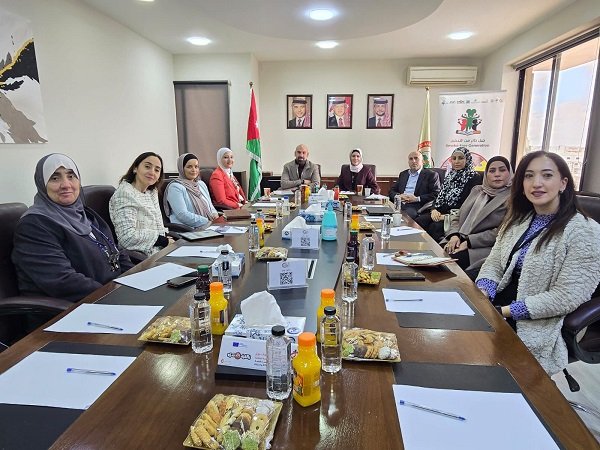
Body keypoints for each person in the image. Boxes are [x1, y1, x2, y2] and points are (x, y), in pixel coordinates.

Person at [476, 151, 600, 376]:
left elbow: (567, 297)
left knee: (478, 362)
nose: (536, 183)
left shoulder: (584, 230)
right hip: (500, 304)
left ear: (563, 183)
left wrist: (505, 311)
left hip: (542, 319)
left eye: (547, 175)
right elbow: (494, 262)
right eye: (529, 176)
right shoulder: (518, 220)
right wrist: (484, 291)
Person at [12, 154, 133, 302]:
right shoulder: (34, 225)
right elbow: (62, 281)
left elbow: (115, 250)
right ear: (42, 184)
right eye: (55, 178)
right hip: (71, 307)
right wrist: (114, 296)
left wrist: (135, 280)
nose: (66, 185)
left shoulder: (84, 213)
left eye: (71, 176)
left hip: (108, 294)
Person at [441, 156, 513, 276]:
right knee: (434, 256)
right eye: (492, 171)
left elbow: (502, 232)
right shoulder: (477, 190)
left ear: (510, 173)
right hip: (458, 238)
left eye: (502, 170)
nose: (497, 174)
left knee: (447, 267)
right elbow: (458, 216)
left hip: (482, 246)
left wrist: (468, 242)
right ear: (486, 174)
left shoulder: (513, 198)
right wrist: (454, 235)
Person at [415, 146, 480, 242]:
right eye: (454, 158)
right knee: (418, 222)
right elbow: (439, 196)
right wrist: (434, 209)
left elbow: (470, 205)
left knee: (435, 227)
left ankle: (434, 250)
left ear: (467, 160)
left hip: (456, 217)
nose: (456, 161)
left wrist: (445, 217)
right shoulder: (450, 175)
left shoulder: (474, 178)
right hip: (439, 212)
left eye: (460, 158)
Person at [109, 151, 169, 256]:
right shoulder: (124, 194)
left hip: (160, 250)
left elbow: (157, 226)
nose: (152, 172)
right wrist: (163, 241)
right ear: (135, 168)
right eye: (147, 167)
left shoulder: (151, 193)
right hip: (143, 257)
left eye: (157, 170)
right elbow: (127, 237)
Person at [163, 153, 225, 228]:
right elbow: (182, 215)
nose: (194, 170)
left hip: (209, 225)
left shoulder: (201, 184)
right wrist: (207, 221)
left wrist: (214, 214)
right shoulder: (175, 187)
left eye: (196, 166)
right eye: (189, 167)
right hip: (188, 229)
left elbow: (209, 205)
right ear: (181, 168)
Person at [389, 151, 441, 219]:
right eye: (411, 159)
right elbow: (391, 191)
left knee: (405, 217)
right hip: (399, 203)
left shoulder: (431, 175)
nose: (413, 161)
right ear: (408, 162)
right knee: (384, 212)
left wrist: (416, 199)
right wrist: (399, 196)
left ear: (423, 161)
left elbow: (436, 194)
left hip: (415, 205)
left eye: (416, 158)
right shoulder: (403, 174)